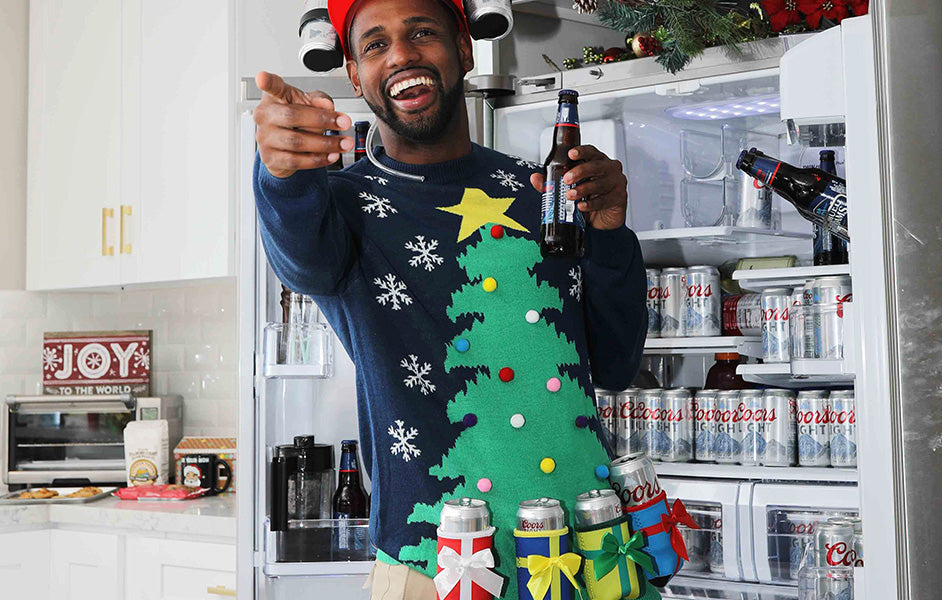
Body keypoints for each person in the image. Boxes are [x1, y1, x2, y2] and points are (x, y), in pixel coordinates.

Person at [253, 0, 650, 598]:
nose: (402, 55)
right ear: (354, 77)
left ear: (464, 50)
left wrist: (612, 236)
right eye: (375, 45)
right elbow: (300, 259)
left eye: (422, 33)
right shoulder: (343, 205)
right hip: (431, 569)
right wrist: (282, 174)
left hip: (586, 557)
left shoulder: (538, 190)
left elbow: (615, 363)